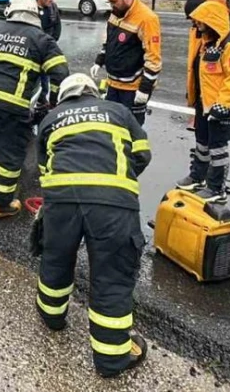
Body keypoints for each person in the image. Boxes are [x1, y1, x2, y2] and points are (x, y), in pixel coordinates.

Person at [34, 73, 150, 378]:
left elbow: (44, 165)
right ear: (92, 92)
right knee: (111, 277)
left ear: (64, 97)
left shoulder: (50, 119)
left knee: (56, 259)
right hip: (113, 204)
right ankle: (111, 360)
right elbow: (142, 154)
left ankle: (51, 316)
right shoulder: (118, 111)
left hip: (61, 203)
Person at [0, 0, 69, 219]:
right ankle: (2, 204)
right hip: (11, 105)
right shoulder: (42, 39)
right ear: (35, 14)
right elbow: (61, 74)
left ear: (10, 10)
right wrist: (53, 102)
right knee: (10, 154)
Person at [175, 0, 230, 203]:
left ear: (212, 20)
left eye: (200, 21)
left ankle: (217, 188)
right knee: (202, 142)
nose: (196, 25)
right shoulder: (208, 42)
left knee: (218, 147)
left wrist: (221, 107)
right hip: (205, 103)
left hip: (224, 106)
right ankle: (198, 177)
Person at [89, 0, 162, 125]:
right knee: (111, 124)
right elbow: (110, 42)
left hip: (133, 88)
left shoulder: (147, 19)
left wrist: (144, 89)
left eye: (114, 1)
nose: (112, 5)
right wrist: (99, 60)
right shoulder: (116, 13)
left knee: (130, 129)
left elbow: (153, 59)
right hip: (114, 83)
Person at [37, 0, 62, 104]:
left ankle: (45, 98)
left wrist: (52, 42)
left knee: (46, 72)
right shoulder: (33, 8)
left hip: (47, 45)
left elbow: (57, 25)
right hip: (35, 45)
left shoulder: (53, 8)